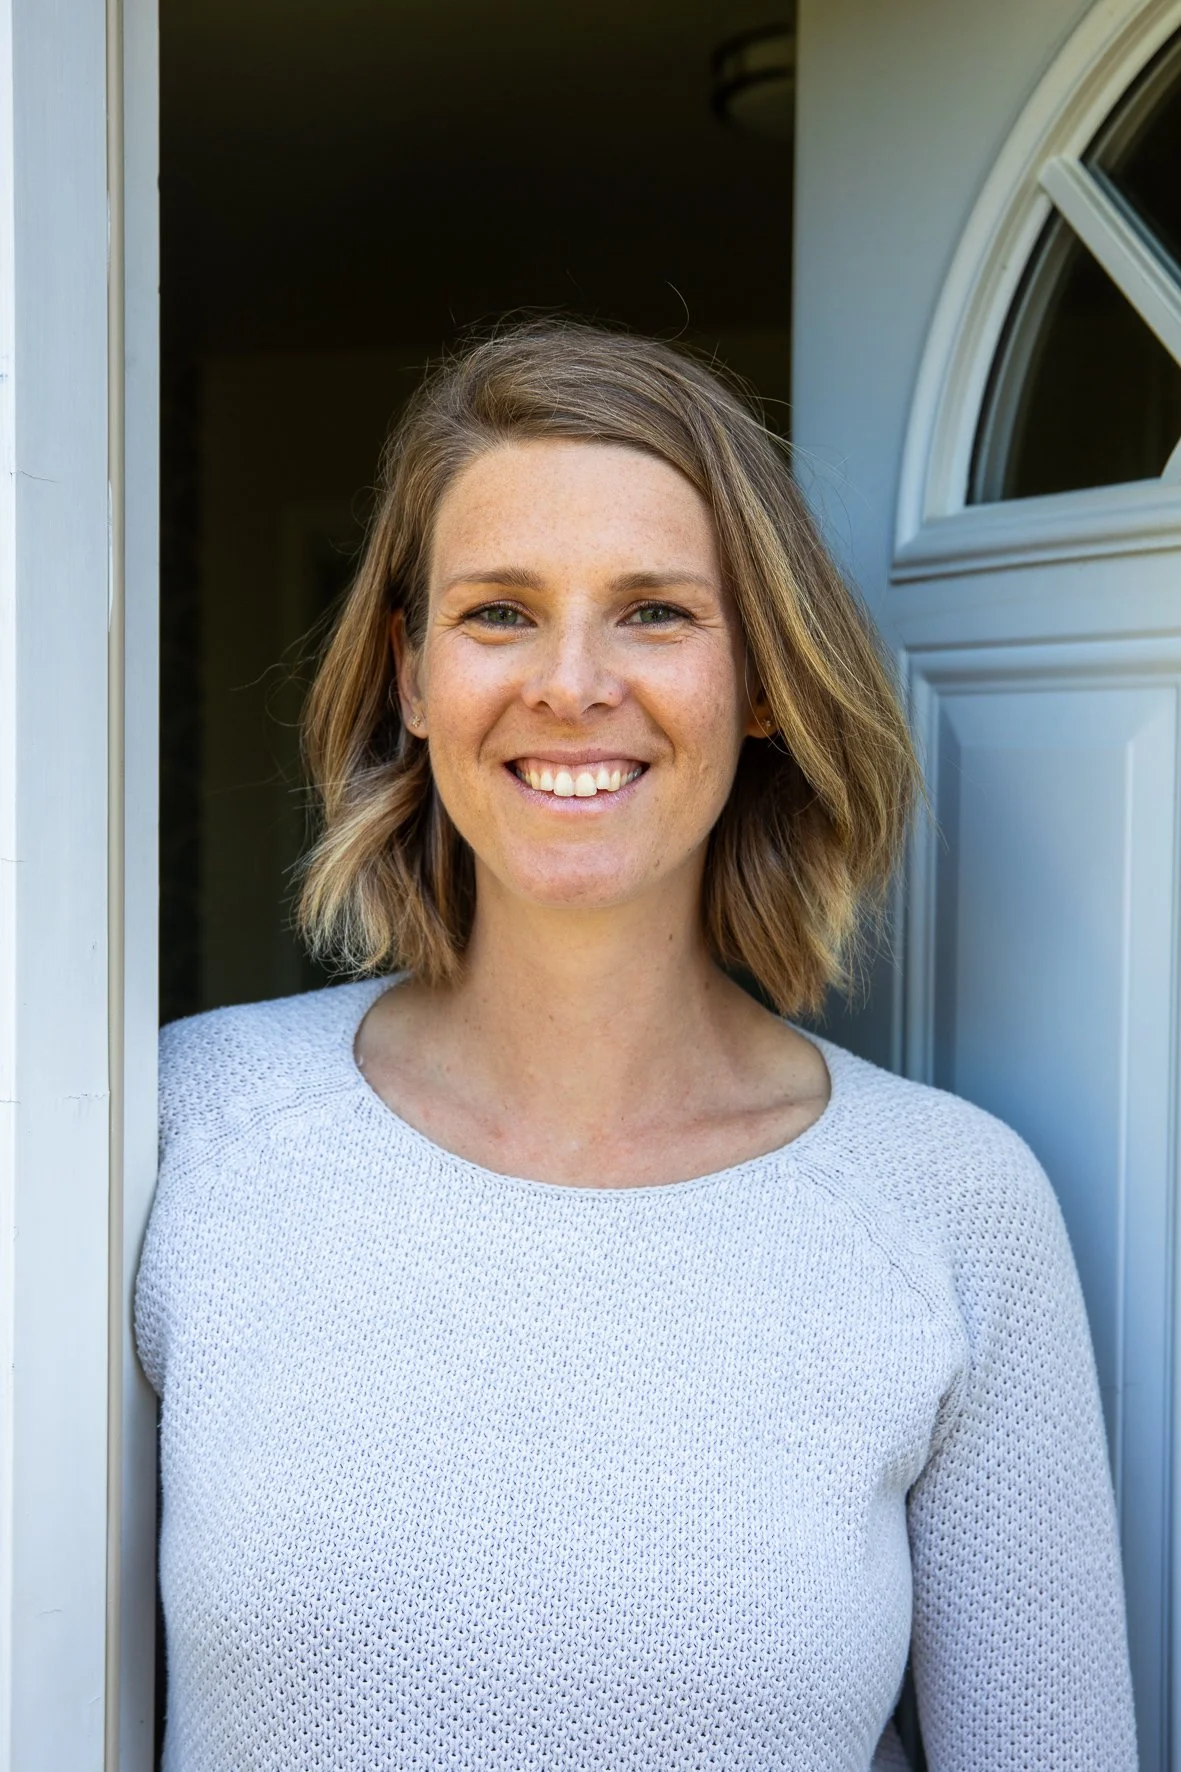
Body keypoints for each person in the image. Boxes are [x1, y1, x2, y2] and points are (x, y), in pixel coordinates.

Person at [136, 321, 1137, 1771]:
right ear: (413, 680)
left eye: (656, 613)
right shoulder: (191, 1129)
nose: (573, 681)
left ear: (767, 683)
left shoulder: (952, 1206)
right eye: (499, 613)